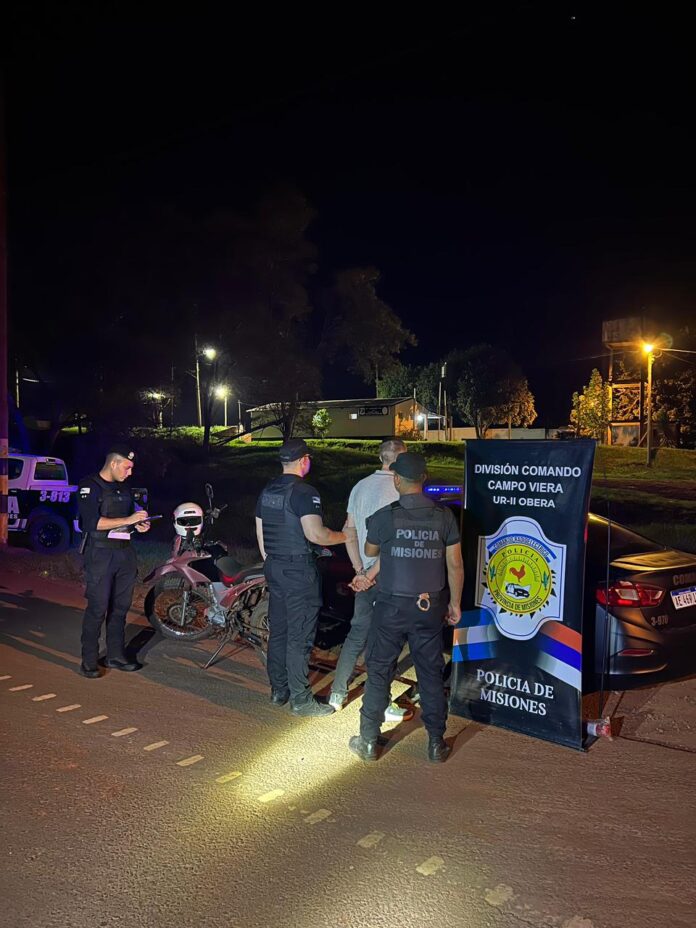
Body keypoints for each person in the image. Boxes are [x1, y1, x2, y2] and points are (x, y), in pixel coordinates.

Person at [348, 452, 464, 763]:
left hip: (391, 607)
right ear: (424, 479)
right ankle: (436, 743)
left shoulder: (386, 516)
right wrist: (454, 603)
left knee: (379, 670)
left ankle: (368, 741)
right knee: (430, 672)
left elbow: (371, 549)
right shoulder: (444, 517)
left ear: (397, 480)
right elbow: (455, 565)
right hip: (429, 606)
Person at [255, 439, 346, 717]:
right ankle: (301, 700)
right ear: (304, 460)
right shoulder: (305, 492)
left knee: (279, 632)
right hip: (298, 572)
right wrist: (345, 536)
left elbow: (260, 532)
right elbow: (316, 534)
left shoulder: (268, 490)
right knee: (299, 636)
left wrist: (273, 561)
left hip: (274, 566)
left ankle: (279, 690)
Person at [328, 438, 412, 723]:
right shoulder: (400, 489)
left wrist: (359, 571)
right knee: (386, 642)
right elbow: (394, 543)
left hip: (365, 574)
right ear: (401, 459)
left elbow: (348, 531)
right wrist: (371, 574)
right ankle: (382, 703)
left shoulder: (360, 487)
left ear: (381, 458)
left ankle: (337, 693)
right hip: (389, 576)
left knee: (356, 635)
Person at [77, 444, 151, 677]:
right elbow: (91, 522)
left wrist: (139, 525)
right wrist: (128, 519)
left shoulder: (124, 488)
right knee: (98, 608)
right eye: (127, 467)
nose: (130, 472)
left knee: (120, 608)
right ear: (114, 463)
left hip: (124, 553)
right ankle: (89, 660)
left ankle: (115, 656)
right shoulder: (89, 486)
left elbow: (127, 519)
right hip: (100, 554)